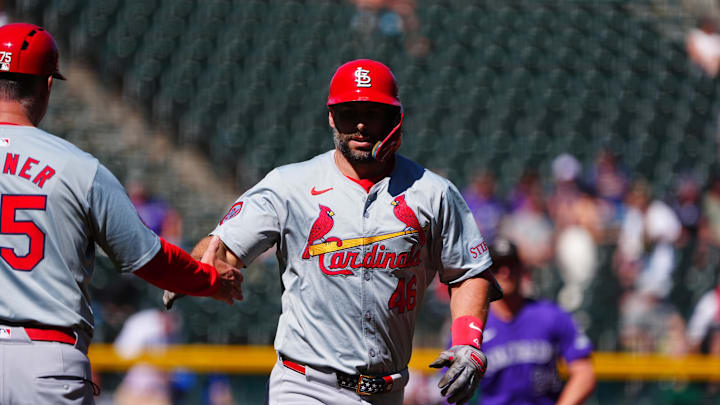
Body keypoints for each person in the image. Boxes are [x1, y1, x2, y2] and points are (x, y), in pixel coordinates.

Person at [166, 59, 502, 404]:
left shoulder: (433, 193)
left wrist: (468, 341)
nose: (359, 124)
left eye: (372, 112)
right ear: (330, 117)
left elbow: (469, 272)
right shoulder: (289, 186)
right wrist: (188, 269)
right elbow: (220, 248)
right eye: (347, 113)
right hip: (305, 386)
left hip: (387, 391)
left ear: (394, 118)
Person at [0, 23, 243, 404]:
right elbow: (150, 259)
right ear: (47, 86)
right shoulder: (78, 168)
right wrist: (211, 280)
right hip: (44, 362)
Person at [474, 238, 595, 405]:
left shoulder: (550, 315)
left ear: (522, 270)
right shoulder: (474, 324)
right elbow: (450, 388)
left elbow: (584, 373)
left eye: (511, 265)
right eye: (497, 266)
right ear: (486, 272)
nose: (505, 272)